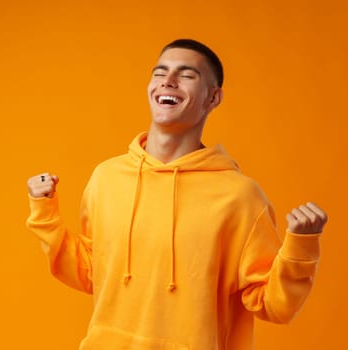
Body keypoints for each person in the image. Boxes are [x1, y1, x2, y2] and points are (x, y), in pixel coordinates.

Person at [26, 39, 328, 350]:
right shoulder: (106, 178)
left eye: (187, 75)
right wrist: (45, 213)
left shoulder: (240, 198)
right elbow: (90, 273)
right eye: (160, 72)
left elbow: (273, 305)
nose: (167, 81)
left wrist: (300, 248)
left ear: (213, 98)